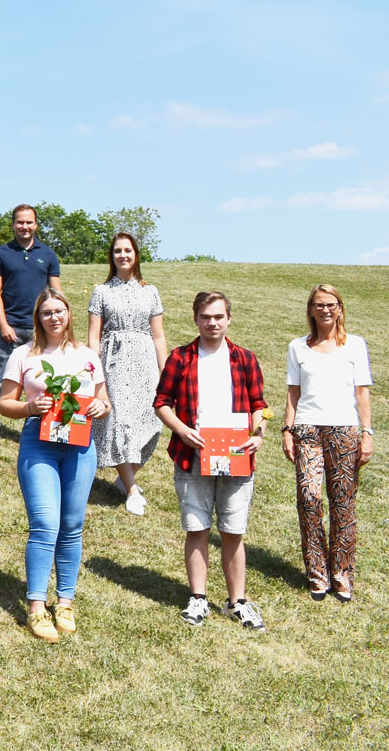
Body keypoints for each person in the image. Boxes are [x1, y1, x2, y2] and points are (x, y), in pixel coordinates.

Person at [153, 291, 269, 629]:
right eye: (206, 317)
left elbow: (259, 404)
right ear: (196, 319)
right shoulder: (180, 358)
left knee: (233, 531)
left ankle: (238, 602)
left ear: (229, 319)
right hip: (192, 455)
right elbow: (161, 402)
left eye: (218, 316)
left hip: (236, 457)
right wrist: (182, 430)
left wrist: (258, 434)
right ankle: (198, 598)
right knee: (197, 528)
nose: (212, 323)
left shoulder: (245, 359)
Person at [0, 289, 111, 641]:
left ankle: (65, 601)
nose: (54, 317)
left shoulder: (87, 355)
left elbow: (104, 399)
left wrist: (100, 407)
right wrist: (31, 408)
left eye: (59, 311)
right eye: (47, 312)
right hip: (39, 444)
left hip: (79, 445)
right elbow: (4, 403)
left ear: (69, 314)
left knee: (72, 523)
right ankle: (36, 607)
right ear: (39, 317)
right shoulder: (23, 355)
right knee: (45, 523)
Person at [283, 285, 373, 602]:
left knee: (342, 504)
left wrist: (367, 432)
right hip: (307, 429)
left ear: (339, 308)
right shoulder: (298, 347)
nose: (325, 310)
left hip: (345, 429)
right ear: (310, 310)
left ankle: (342, 575)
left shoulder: (355, 346)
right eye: (319, 304)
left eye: (330, 304)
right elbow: (293, 393)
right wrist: (286, 429)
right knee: (309, 498)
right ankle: (317, 573)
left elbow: (362, 392)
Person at [87, 231, 168, 512]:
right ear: (112, 256)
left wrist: (165, 372)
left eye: (128, 250)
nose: (123, 255)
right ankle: (132, 491)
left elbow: (158, 336)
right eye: (118, 251)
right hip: (115, 363)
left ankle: (126, 476)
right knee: (120, 422)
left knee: (151, 421)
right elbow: (93, 337)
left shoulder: (150, 291)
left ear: (136, 255)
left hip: (145, 363)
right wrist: (94, 370)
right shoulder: (101, 291)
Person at [0, 205, 61, 452]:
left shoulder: (48, 255)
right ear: (13, 224)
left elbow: (56, 294)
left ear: (36, 225)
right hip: (10, 329)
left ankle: (44, 428)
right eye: (20, 222)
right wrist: (4, 324)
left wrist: (53, 326)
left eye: (29, 222)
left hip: (40, 331)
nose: (24, 226)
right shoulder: (1, 254)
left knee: (46, 382)